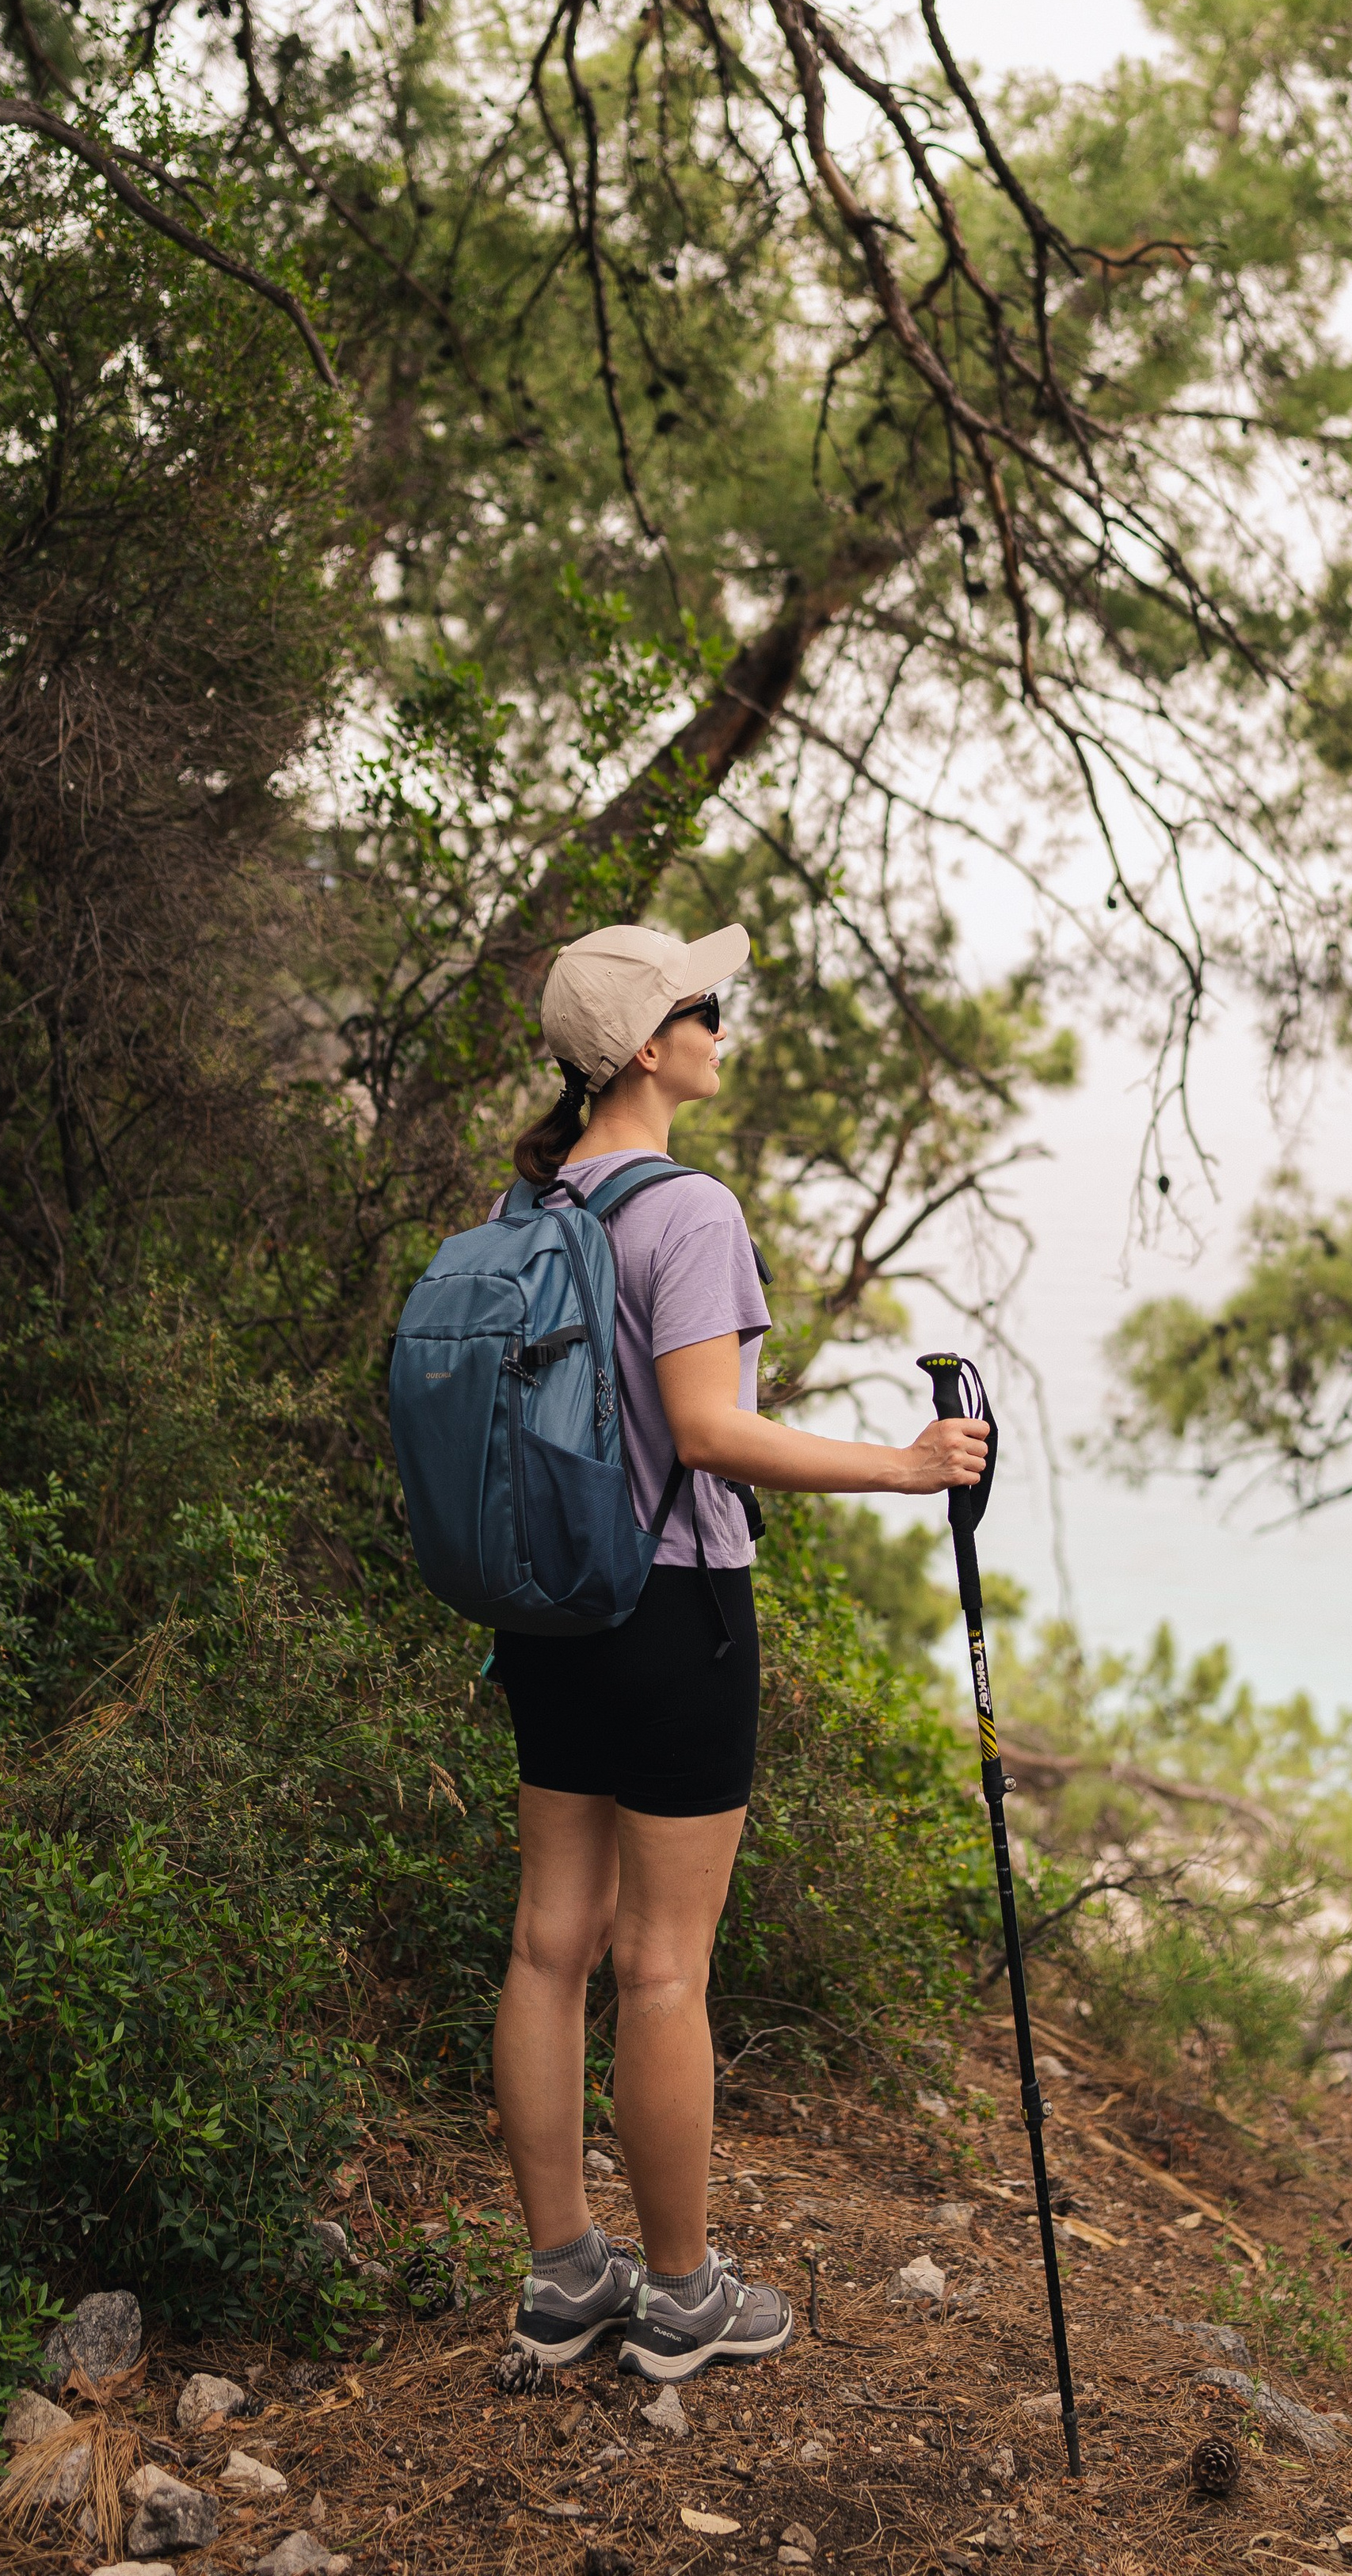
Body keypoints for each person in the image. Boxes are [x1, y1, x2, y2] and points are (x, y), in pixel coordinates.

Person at [489, 920, 989, 2387]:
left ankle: (562, 2276)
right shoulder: (687, 1212)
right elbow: (706, 1433)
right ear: (650, 1047)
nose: (725, 1022)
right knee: (660, 1970)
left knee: (546, 1944)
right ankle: (685, 2296)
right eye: (707, 1007)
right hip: (671, 1612)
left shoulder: (530, 1206)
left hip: (545, 1614)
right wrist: (906, 1470)